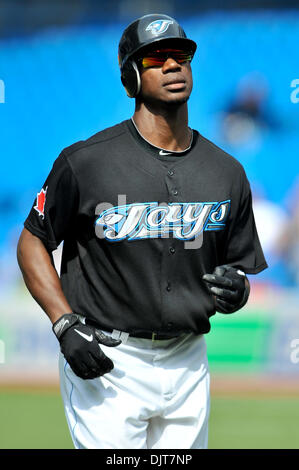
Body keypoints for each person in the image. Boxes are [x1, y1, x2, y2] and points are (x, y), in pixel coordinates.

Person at [16, 14, 267, 450]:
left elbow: (236, 272)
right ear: (131, 77)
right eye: (157, 57)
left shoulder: (226, 171)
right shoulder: (85, 162)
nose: (173, 65)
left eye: (182, 55)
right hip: (109, 359)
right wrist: (64, 323)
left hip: (189, 360)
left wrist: (237, 291)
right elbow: (33, 240)